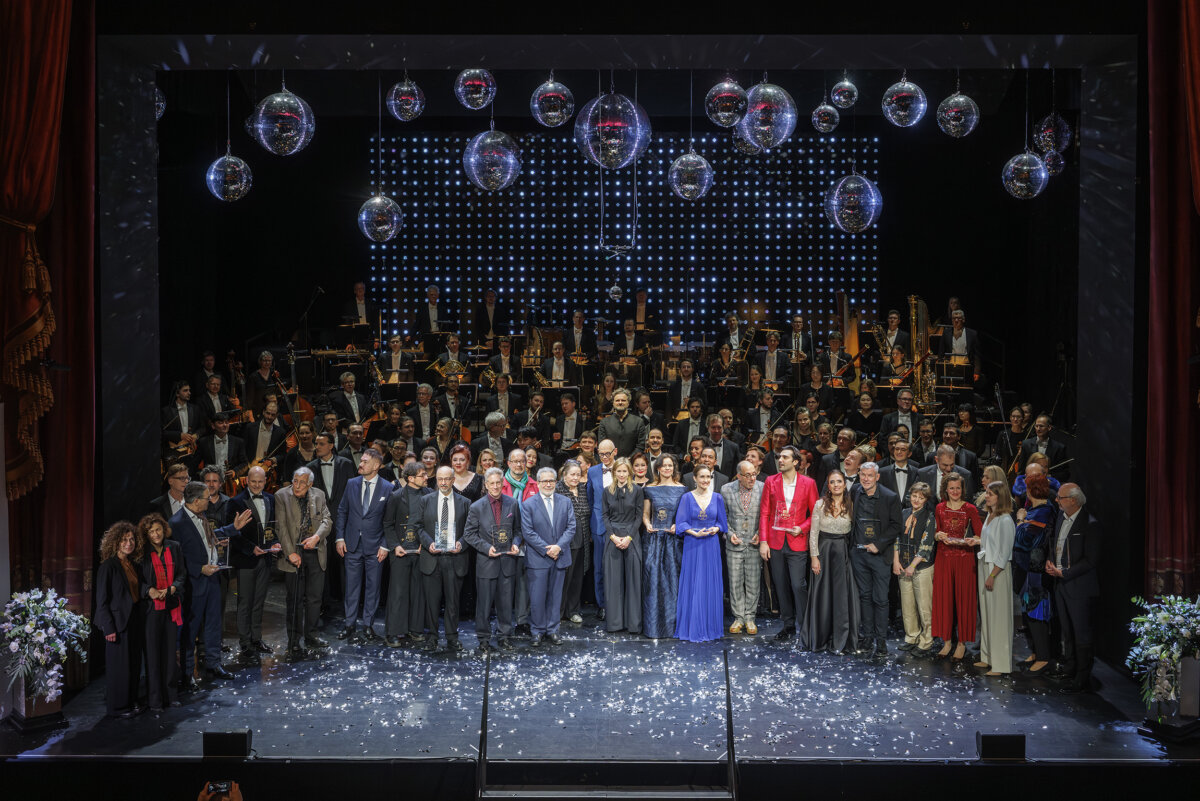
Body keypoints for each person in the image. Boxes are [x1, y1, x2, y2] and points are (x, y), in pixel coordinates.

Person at [171, 482, 253, 685]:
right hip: (194, 584)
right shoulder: (177, 523)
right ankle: (187, 674)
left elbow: (208, 537)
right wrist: (199, 568)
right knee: (191, 629)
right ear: (196, 500)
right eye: (207, 498)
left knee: (214, 624)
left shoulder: (201, 515)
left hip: (213, 579)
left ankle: (214, 663)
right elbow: (176, 557)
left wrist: (233, 529)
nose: (210, 501)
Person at [758, 446, 819, 642]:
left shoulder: (808, 483)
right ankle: (788, 625)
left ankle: (806, 625)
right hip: (775, 540)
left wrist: (802, 528)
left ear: (795, 462)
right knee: (781, 584)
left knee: (798, 584)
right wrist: (764, 541)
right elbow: (765, 513)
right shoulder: (771, 481)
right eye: (779, 457)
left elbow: (815, 514)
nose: (780, 460)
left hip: (797, 541)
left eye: (785, 457)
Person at [1045, 483, 1100, 694]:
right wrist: (1051, 562)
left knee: (1081, 633)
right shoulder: (1061, 517)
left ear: (1074, 500)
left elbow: (1090, 560)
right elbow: (1055, 544)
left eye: (1060, 497)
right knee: (1067, 631)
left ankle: (1082, 677)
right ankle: (1069, 668)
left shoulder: (1090, 524)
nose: (1056, 500)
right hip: (1061, 585)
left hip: (1080, 588)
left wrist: (1065, 573)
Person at [275, 466, 332, 661]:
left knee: (315, 598)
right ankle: (293, 642)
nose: (297, 485)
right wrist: (290, 553)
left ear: (310, 484)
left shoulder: (319, 495)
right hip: (294, 553)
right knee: (295, 600)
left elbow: (327, 520)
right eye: (295, 481)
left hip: (315, 552)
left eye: (302, 483)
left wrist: (316, 537)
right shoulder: (281, 496)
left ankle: (311, 636)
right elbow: (281, 527)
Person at [335, 448, 393, 643]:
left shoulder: (388, 488)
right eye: (361, 461)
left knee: (373, 588)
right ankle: (349, 624)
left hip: (375, 547)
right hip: (351, 544)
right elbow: (342, 511)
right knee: (351, 587)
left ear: (376, 466)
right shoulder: (351, 483)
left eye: (365, 461)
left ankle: (368, 625)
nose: (360, 464)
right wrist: (339, 538)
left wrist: (385, 545)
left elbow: (390, 520)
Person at [463, 467, 522, 653]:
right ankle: (483, 639)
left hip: (507, 562)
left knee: (505, 604)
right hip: (486, 563)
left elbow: (518, 530)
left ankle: (504, 637)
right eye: (492, 483)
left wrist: (516, 543)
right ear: (486, 485)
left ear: (502, 484)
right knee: (484, 605)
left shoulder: (513, 504)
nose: (495, 486)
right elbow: (469, 534)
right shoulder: (476, 507)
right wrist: (486, 548)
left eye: (498, 483)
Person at [227, 466, 281, 665]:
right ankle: (245, 642)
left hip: (265, 559)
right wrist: (251, 549)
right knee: (245, 602)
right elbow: (233, 533)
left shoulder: (271, 499)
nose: (257, 485)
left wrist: (274, 543)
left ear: (265, 481)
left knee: (259, 601)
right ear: (246, 481)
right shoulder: (236, 502)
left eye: (260, 481)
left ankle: (256, 639)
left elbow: (271, 528)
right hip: (246, 559)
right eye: (253, 482)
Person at [415, 465, 472, 652]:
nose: (443, 482)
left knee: (453, 603)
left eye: (447, 479)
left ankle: (452, 638)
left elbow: (470, 530)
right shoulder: (425, 500)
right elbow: (418, 527)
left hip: (455, 559)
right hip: (432, 558)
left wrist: (461, 544)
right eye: (440, 479)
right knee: (431, 602)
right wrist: (428, 543)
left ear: (453, 480)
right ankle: (432, 637)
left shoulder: (465, 502)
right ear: (436, 480)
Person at [806, 470, 859, 654]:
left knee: (841, 596)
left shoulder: (852, 504)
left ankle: (841, 639)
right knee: (823, 595)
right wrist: (814, 557)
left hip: (843, 554)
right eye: (832, 482)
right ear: (828, 486)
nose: (836, 485)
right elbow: (813, 533)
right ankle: (821, 637)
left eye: (839, 481)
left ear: (844, 484)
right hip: (823, 553)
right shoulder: (820, 504)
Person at [522, 467, 576, 646]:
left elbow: (571, 527)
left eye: (551, 480)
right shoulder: (528, 504)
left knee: (555, 597)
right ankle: (537, 631)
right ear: (537, 483)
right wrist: (547, 550)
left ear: (556, 482)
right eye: (544, 481)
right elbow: (528, 532)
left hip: (560, 557)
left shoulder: (565, 502)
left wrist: (558, 547)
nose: (548, 484)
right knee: (537, 598)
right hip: (538, 558)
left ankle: (553, 630)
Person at [96, 521, 145, 718]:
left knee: (133, 665)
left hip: (134, 620)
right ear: (115, 542)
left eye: (131, 539)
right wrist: (108, 628)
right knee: (119, 668)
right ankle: (118, 707)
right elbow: (102, 601)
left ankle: (131, 701)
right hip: (117, 623)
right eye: (124, 540)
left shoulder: (134, 565)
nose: (128, 543)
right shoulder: (108, 566)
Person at [931, 473, 982, 663]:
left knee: (964, 601)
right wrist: (938, 535)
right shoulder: (939, 508)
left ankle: (961, 643)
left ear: (962, 489)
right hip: (944, 557)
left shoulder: (970, 509)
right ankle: (946, 642)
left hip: (964, 558)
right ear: (945, 489)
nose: (954, 491)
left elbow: (980, 536)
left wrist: (972, 540)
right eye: (951, 488)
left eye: (958, 488)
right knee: (944, 600)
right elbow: (935, 532)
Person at [674, 465, 728, 642]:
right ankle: (692, 627)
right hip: (693, 544)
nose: (705, 480)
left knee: (709, 584)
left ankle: (709, 627)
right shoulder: (687, 498)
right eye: (702, 477)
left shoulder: (717, 497)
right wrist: (694, 532)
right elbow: (681, 523)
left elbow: (723, 523)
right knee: (693, 583)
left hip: (711, 545)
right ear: (695, 478)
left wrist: (716, 528)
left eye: (708, 477)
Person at [138, 514, 184, 711]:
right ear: (146, 534)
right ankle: (155, 700)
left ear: (164, 529)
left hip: (171, 605)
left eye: (158, 530)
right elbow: (138, 580)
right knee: (153, 655)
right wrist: (149, 590)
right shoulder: (141, 552)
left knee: (170, 654)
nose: (155, 534)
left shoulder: (174, 547)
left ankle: (171, 696)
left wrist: (173, 588)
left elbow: (182, 574)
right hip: (151, 610)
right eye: (151, 531)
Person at [382, 463, 431, 647]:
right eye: (422, 475)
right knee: (398, 592)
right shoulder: (396, 496)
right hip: (400, 551)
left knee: (418, 592)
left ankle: (416, 629)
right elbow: (388, 524)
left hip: (421, 550)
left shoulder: (429, 494)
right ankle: (393, 632)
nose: (426, 477)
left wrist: (425, 544)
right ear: (410, 478)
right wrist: (395, 545)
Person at [1012, 473, 1055, 673]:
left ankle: (1044, 656)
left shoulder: (1043, 511)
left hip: (1036, 572)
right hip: (1028, 570)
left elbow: (1023, 539)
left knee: (1037, 614)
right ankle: (1037, 651)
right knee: (1029, 613)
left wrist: (1020, 520)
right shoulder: (1037, 510)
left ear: (1030, 491)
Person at [642, 453, 688, 639]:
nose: (667, 469)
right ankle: (653, 627)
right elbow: (646, 514)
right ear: (658, 468)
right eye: (664, 466)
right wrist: (647, 524)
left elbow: (685, 515)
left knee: (673, 582)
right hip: (654, 541)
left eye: (670, 465)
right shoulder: (649, 489)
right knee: (653, 583)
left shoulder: (682, 489)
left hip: (674, 542)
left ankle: (673, 626)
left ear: (674, 468)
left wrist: (678, 524)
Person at [974, 480, 1016, 676]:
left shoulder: (1005, 520)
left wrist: (992, 575)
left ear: (1000, 496)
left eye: (990, 494)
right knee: (987, 613)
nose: (987, 496)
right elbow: (990, 542)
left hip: (996, 570)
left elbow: (1005, 552)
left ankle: (1000, 664)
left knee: (998, 617)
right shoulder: (991, 516)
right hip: (985, 565)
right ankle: (987, 656)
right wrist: (976, 541)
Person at [600, 457, 645, 634]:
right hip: (612, 538)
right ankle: (615, 623)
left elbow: (639, 516)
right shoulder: (607, 491)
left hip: (631, 537)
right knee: (613, 582)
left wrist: (629, 537)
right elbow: (605, 516)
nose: (621, 474)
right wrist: (613, 536)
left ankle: (633, 624)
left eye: (624, 471)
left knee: (633, 581)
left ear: (629, 472)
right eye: (618, 471)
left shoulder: (638, 491)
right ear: (614, 472)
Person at [720, 461, 764, 635]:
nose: (752, 478)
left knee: (753, 582)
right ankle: (738, 618)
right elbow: (723, 517)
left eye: (754, 474)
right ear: (739, 476)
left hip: (754, 543)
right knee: (735, 582)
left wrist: (760, 533)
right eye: (747, 475)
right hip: (734, 543)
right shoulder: (726, 490)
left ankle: (750, 617)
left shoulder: (763, 488)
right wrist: (730, 534)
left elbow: (766, 515)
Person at [894, 482, 937, 656]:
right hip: (903, 565)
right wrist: (896, 561)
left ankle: (926, 640)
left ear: (926, 500)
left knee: (924, 606)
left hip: (922, 567)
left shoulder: (929, 517)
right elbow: (897, 538)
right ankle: (911, 636)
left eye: (921, 497)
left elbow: (926, 545)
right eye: (914, 496)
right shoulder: (903, 513)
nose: (916, 500)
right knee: (907, 605)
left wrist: (913, 565)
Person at [586, 439, 618, 621]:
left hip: (620, 525)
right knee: (599, 567)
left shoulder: (623, 468)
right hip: (599, 525)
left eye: (607, 453)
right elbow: (590, 499)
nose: (604, 457)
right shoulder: (592, 471)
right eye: (601, 454)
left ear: (615, 452)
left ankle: (617, 604)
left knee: (617, 567)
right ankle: (602, 605)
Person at [557, 461, 591, 626]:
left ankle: (573, 611)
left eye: (578, 474)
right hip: (566, 540)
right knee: (564, 578)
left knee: (577, 577)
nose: (575, 478)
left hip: (583, 537)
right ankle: (559, 612)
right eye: (572, 474)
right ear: (564, 475)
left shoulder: (583, 489)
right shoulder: (558, 489)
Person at [597, 388, 647, 458]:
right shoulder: (604, 422)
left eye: (623, 400)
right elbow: (602, 445)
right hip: (610, 461)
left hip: (631, 462)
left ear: (628, 403)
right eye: (617, 400)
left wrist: (628, 460)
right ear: (613, 403)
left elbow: (640, 446)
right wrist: (613, 461)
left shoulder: (638, 422)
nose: (620, 402)